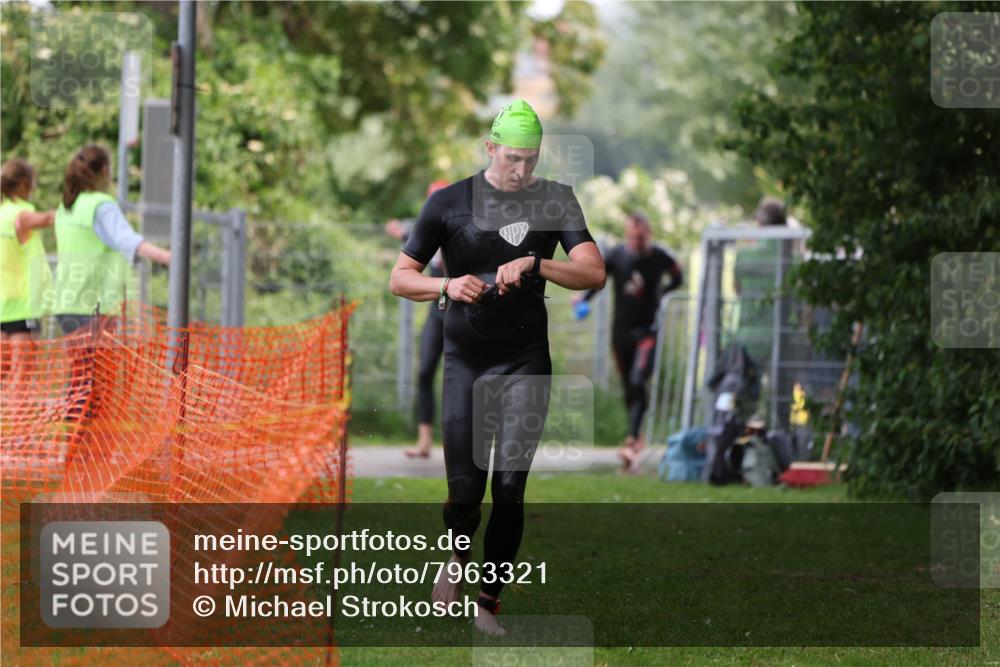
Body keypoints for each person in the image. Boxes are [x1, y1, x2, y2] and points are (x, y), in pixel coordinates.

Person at [389, 100, 605, 635]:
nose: (521, 170)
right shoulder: (448, 203)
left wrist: (537, 264)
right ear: (490, 149)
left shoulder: (556, 200)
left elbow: (593, 272)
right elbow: (400, 277)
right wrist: (445, 285)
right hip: (465, 361)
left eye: (530, 160)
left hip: (525, 361)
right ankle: (456, 558)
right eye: (512, 158)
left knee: (509, 485)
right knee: (466, 488)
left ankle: (488, 601)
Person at [51, 145, 171, 420]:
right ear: (104, 171)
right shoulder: (101, 205)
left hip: (67, 301)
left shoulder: (67, 207)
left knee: (82, 379)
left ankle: (77, 451)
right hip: (93, 304)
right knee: (94, 382)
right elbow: (126, 239)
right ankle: (83, 454)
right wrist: (166, 256)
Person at [574, 212, 682, 471]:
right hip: (620, 333)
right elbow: (597, 278)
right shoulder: (616, 255)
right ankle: (636, 435)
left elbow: (678, 277)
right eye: (632, 237)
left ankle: (632, 440)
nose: (636, 242)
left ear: (649, 234)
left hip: (647, 331)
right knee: (629, 387)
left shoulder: (660, 257)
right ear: (627, 235)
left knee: (638, 379)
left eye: (641, 237)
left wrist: (661, 294)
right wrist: (582, 300)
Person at [384, 180, 450, 458]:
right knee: (424, 373)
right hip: (436, 312)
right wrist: (399, 231)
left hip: (462, 313)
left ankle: (457, 442)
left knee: (458, 377)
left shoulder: (459, 230)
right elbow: (411, 241)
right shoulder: (425, 232)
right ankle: (424, 442)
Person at [0, 158, 55, 389]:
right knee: (21, 379)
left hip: (3, 303)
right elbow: (49, 219)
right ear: (23, 184)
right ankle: (13, 425)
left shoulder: (2, 213)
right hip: (22, 307)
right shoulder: (20, 215)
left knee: (3, 376)